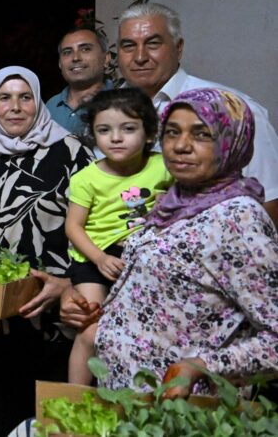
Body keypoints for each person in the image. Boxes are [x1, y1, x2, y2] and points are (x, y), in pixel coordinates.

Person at [65, 88, 278, 395]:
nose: (181, 146)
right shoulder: (173, 201)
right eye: (173, 132)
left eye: (202, 134)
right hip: (128, 400)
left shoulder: (238, 218)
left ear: (232, 141)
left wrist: (202, 366)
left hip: (178, 409)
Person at [0, 66, 94, 436]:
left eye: (25, 97)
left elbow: (98, 229)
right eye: (5, 98)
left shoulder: (72, 153)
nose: (15, 107)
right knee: (1, 411)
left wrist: (69, 283)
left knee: (55, 418)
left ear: (38, 103)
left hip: (52, 314)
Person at [117, 2, 278, 221]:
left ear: (178, 48)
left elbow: (270, 200)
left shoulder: (232, 107)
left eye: (153, 44)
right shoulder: (109, 110)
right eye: (128, 46)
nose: (140, 56)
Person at [63, 88, 172, 385]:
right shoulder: (86, 178)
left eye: (128, 128)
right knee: (90, 330)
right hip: (93, 258)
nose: (116, 137)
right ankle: (75, 404)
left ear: (149, 133)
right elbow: (73, 227)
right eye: (104, 130)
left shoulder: (163, 167)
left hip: (145, 259)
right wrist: (99, 258)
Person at [44, 27, 112, 136]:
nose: (75, 58)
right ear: (60, 64)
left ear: (106, 59)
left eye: (85, 49)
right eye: (67, 52)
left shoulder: (124, 104)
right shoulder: (50, 107)